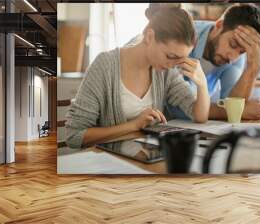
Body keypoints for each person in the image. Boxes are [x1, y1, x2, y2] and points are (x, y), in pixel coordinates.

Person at [65, 7, 210, 149]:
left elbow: (199, 116)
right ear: (149, 36)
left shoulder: (165, 72)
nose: (173, 65)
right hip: (109, 162)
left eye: (178, 60)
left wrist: (202, 84)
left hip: (144, 159)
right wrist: (133, 125)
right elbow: (75, 136)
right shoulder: (105, 66)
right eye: (170, 56)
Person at [129, 3, 260, 120]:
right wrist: (234, 112)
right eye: (233, 44)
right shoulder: (184, 38)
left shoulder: (233, 57)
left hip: (181, 127)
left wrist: (253, 68)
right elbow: (182, 109)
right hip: (146, 118)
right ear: (219, 25)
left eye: (242, 52)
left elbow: (232, 108)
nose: (233, 57)